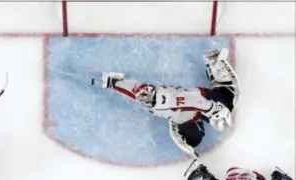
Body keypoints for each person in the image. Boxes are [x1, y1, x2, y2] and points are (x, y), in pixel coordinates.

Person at [100, 48, 239, 157]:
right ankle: (193, 119)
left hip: (195, 100)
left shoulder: (167, 101)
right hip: (184, 114)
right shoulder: (146, 95)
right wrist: (112, 82)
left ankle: (214, 63)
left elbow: (194, 100)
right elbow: (131, 90)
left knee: (228, 100)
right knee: (194, 140)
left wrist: (216, 109)